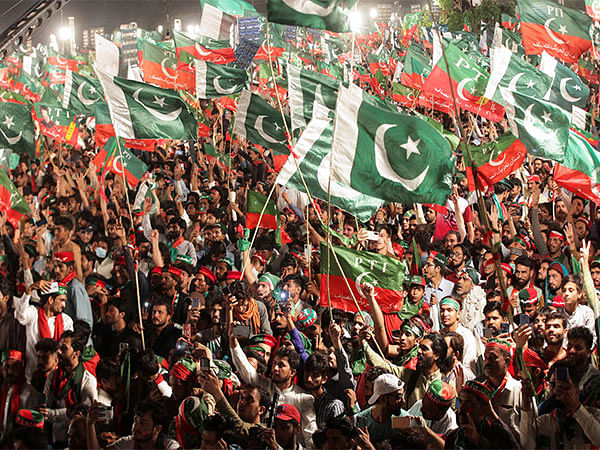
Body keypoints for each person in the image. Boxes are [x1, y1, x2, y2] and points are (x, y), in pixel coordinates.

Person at [521, 361, 600, 449]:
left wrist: (576, 408)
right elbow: (527, 445)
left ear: (577, 389)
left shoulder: (593, 415)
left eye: (563, 386)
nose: (556, 390)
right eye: (553, 385)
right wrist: (526, 406)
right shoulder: (545, 421)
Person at [43, 331, 97, 445]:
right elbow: (44, 407)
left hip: (76, 442)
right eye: (59, 347)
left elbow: (85, 414)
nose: (58, 351)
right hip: (53, 437)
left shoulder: (87, 380)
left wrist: (52, 414)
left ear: (76, 354)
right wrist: (66, 413)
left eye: (64, 348)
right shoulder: (53, 376)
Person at [14, 283, 74, 380]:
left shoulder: (66, 321)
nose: (64, 305)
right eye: (61, 300)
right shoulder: (34, 313)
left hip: (57, 378)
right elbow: (20, 316)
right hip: (32, 375)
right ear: (50, 300)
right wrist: (29, 291)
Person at [444, 380, 520, 449]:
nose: (461, 408)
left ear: (483, 410)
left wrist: (478, 440)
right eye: (460, 401)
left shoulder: (495, 436)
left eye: (469, 404)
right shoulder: (453, 438)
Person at [86, 399, 179, 449]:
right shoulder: (129, 443)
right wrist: (90, 424)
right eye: (135, 420)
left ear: (157, 429)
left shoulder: (169, 446)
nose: (136, 426)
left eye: (143, 423)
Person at [354, 373, 406, 443]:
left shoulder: (400, 419)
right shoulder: (364, 420)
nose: (403, 401)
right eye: (398, 397)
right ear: (383, 399)